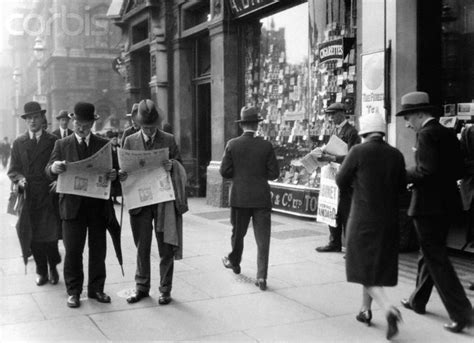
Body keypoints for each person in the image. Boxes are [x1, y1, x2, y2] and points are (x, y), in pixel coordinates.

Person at [397, 91, 472, 333]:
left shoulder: (426, 135)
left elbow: (426, 171)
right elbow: (459, 169)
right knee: (428, 254)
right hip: (446, 204)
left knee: (437, 260)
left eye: (408, 117)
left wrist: (404, 174)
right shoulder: (446, 133)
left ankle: (461, 313)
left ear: (420, 113)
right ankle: (417, 300)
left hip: (427, 207)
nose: (407, 124)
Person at [336, 113, 405, 340]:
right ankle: (365, 310)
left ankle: (388, 309)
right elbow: (402, 188)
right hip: (388, 221)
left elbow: (340, 180)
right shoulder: (396, 154)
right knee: (373, 266)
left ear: (363, 133)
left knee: (361, 266)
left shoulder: (358, 151)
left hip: (363, 219)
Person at [46, 102, 118, 308]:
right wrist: (54, 168)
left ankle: (96, 289)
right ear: (73, 121)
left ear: (92, 123)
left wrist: (113, 175)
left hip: (97, 208)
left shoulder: (103, 144)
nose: (81, 127)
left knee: (98, 250)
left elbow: (115, 170)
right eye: (78, 122)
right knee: (73, 251)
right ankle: (74, 291)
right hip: (72, 208)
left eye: (86, 124)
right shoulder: (62, 144)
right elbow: (47, 171)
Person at [120, 99, 183, 305]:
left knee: (165, 245)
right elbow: (123, 169)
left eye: (151, 127)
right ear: (138, 124)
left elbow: (180, 167)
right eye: (144, 127)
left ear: (157, 124)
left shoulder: (169, 139)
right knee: (142, 246)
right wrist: (122, 174)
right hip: (140, 201)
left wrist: (172, 164)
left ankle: (165, 289)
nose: (148, 131)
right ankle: (141, 287)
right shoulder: (130, 140)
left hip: (163, 200)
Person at [220, 106, 279, 291]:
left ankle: (235, 261)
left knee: (238, 234)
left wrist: (240, 175)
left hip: (239, 197)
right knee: (263, 240)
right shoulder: (266, 145)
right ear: (256, 125)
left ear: (242, 124)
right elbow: (274, 174)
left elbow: (224, 171)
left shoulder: (232, 144)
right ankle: (261, 277)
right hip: (261, 197)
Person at [8, 101, 61, 286]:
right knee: (33, 236)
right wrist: (20, 179)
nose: (32, 121)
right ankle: (41, 271)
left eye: (36, 117)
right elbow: (13, 170)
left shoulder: (53, 141)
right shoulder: (18, 143)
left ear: (42, 118)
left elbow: (60, 166)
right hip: (29, 195)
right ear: (25, 121)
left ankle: (53, 266)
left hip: (48, 194)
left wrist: (58, 180)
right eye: (29, 118)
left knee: (51, 236)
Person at [315, 102, 360, 253]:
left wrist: (332, 158)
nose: (331, 117)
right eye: (330, 115)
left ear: (342, 113)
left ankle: (351, 247)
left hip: (346, 178)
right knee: (333, 208)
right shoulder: (335, 130)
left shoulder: (351, 132)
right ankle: (334, 241)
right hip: (333, 175)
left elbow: (352, 157)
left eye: (333, 114)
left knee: (346, 212)